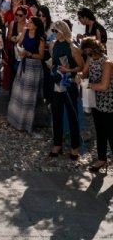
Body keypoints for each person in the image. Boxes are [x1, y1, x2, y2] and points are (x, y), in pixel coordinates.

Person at [48, 20, 84, 160]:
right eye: (53, 31)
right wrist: (53, 67)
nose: (54, 34)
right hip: (57, 84)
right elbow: (54, 62)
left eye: (56, 31)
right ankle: (57, 144)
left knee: (72, 116)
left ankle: (75, 147)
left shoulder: (73, 47)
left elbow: (80, 67)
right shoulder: (53, 45)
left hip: (70, 84)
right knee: (56, 115)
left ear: (63, 31)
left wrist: (67, 70)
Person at [7, 15, 46, 133]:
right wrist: (23, 34)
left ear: (36, 25)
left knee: (30, 96)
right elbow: (18, 44)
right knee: (19, 93)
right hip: (23, 65)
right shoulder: (25, 33)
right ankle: (17, 120)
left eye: (30, 22)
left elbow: (41, 56)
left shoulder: (40, 39)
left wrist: (28, 53)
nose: (27, 23)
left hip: (33, 67)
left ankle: (29, 122)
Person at [80, 37, 113, 172]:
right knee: (99, 131)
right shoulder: (90, 59)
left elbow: (104, 86)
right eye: (87, 53)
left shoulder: (107, 63)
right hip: (95, 101)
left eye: (91, 53)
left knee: (111, 134)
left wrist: (88, 86)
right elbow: (84, 72)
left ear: (97, 50)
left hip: (108, 102)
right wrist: (79, 77)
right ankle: (101, 159)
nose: (90, 56)